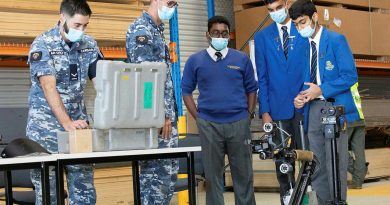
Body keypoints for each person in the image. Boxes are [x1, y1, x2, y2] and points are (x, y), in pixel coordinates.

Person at [26, 0, 102, 204]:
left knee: (84, 193)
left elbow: (102, 83)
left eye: (85, 25)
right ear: (62, 18)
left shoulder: (89, 45)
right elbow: (49, 87)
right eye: (77, 25)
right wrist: (67, 124)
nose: (82, 30)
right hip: (45, 132)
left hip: (79, 131)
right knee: (49, 195)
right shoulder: (43, 44)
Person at [290, 0, 365, 203]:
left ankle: (338, 202)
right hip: (313, 111)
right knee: (317, 163)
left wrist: (321, 90)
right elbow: (309, 80)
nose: (299, 28)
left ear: (314, 17)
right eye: (296, 24)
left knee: (336, 163)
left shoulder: (336, 40)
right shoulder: (305, 47)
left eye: (302, 22)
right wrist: (302, 96)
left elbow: (350, 77)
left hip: (334, 109)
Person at [181, 15, 258, 205]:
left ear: (229, 36)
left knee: (244, 175)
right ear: (208, 35)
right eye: (216, 33)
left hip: (239, 124)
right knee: (213, 177)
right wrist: (198, 117)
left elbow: (252, 89)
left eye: (224, 33)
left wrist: (248, 115)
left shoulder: (242, 59)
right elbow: (186, 91)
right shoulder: (195, 61)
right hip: (209, 125)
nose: (220, 36)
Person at [254, 0, 308, 203]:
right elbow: (263, 76)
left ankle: (308, 196)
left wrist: (305, 95)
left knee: (308, 157)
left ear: (286, 4)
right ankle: (287, 198)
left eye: (278, 8)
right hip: (277, 110)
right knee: (283, 160)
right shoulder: (262, 37)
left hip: (304, 106)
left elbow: (310, 67)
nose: (274, 12)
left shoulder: (302, 28)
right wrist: (265, 111)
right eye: (270, 10)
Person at [126, 0, 179, 204]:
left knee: (165, 180)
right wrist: (159, 115)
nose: (172, 7)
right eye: (169, 2)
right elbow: (145, 79)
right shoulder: (142, 30)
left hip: (164, 117)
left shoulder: (157, 30)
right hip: (156, 119)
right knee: (154, 182)